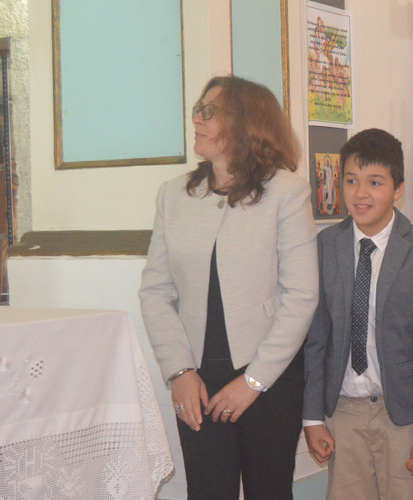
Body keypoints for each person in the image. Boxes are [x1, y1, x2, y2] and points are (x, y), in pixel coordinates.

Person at [139, 75, 319, 499]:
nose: (196, 119)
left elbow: (301, 296)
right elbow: (155, 292)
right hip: (197, 381)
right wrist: (180, 371)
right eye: (197, 110)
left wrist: (253, 381)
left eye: (209, 111)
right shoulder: (173, 196)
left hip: (269, 377)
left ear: (244, 122)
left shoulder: (287, 192)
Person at [303, 128, 413, 499]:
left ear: (398, 189)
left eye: (375, 182)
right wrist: (312, 417)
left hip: (402, 416)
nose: (361, 193)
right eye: (351, 181)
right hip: (344, 412)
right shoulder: (325, 246)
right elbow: (316, 340)